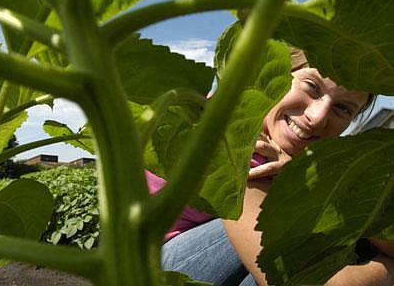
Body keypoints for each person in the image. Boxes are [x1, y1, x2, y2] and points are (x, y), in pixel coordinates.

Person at [158, 48, 394, 286]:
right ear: (274, 75)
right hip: (143, 267)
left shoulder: (293, 155)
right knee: (285, 240)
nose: (318, 117)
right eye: (312, 86)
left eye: (342, 109)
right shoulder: (239, 141)